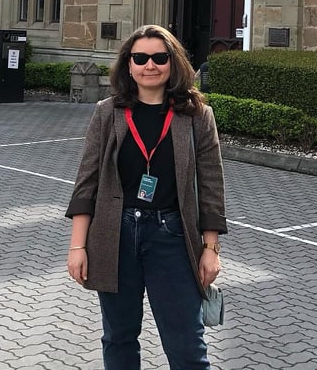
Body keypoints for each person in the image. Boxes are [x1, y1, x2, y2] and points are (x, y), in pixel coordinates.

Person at [66, 24, 226, 370]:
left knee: (186, 345)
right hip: (115, 235)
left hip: (171, 237)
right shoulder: (108, 113)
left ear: (173, 63)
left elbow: (212, 187)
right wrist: (78, 246)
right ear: (128, 64)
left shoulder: (197, 116)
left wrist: (210, 249)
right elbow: (87, 184)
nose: (149, 65)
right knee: (119, 338)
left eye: (159, 57)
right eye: (140, 57)